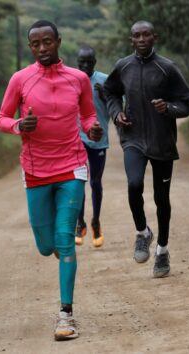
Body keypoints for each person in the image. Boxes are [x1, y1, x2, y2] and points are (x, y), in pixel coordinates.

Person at [0, 20, 102, 341]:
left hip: (72, 166)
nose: (42, 49)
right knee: (46, 247)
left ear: (58, 41)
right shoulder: (20, 79)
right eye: (36, 44)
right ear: (31, 47)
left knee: (65, 239)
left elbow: (87, 115)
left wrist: (93, 128)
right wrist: (18, 126)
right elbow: (1, 118)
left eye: (47, 42)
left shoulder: (78, 78)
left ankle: (66, 315)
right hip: (35, 170)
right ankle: (60, 249)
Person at [104, 20, 189, 278]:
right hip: (133, 138)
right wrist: (117, 112)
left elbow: (187, 104)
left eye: (146, 35)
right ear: (131, 40)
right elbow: (110, 93)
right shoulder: (123, 66)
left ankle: (162, 250)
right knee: (133, 184)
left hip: (162, 141)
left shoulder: (167, 68)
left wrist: (168, 108)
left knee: (161, 199)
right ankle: (142, 232)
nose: (141, 39)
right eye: (136, 36)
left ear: (154, 37)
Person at [74, 45, 110, 248]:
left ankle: (96, 221)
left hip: (98, 139)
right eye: (82, 62)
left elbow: (117, 106)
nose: (85, 65)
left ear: (95, 62)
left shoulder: (104, 81)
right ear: (77, 63)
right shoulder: (71, 80)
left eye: (89, 62)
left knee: (95, 182)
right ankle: (80, 223)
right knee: (78, 182)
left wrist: (105, 96)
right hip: (76, 139)